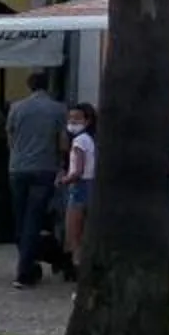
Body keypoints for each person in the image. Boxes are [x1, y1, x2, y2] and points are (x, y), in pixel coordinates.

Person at [6, 72, 69, 287]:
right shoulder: (58, 109)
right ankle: (25, 269)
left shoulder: (16, 108)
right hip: (44, 167)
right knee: (34, 218)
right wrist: (61, 163)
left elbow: (10, 137)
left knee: (20, 218)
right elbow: (62, 142)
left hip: (18, 167)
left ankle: (27, 263)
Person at [61, 101, 97, 270]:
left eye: (76, 119)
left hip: (79, 187)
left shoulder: (79, 142)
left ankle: (80, 272)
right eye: (70, 119)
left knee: (74, 236)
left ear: (87, 120)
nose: (72, 123)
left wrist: (63, 180)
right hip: (94, 186)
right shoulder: (93, 140)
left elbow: (78, 170)